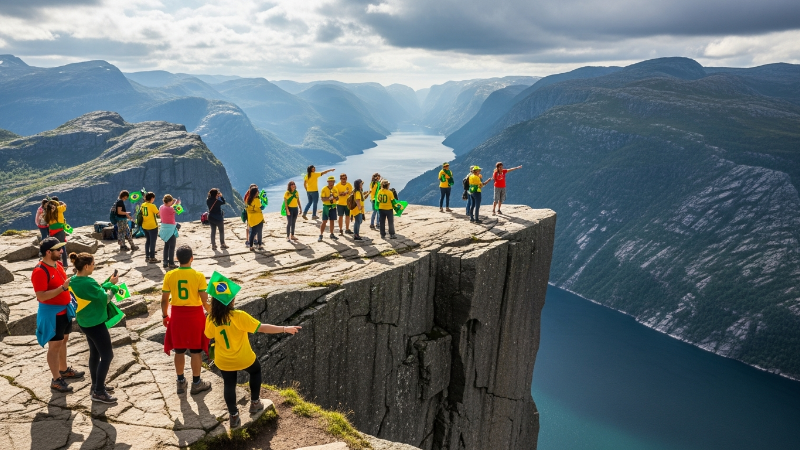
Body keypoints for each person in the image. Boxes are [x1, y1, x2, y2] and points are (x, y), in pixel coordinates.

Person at [204, 284, 301, 428]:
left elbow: (208, 335)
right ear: (230, 301)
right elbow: (262, 327)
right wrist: (285, 329)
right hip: (243, 357)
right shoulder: (239, 316)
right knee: (255, 371)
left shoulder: (212, 318)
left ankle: (233, 416)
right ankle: (255, 403)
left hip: (223, 360)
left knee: (229, 384)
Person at [32, 237, 85, 394]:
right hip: (52, 314)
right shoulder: (39, 271)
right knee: (54, 346)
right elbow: (41, 296)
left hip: (64, 310)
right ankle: (56, 380)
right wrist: (62, 288)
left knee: (64, 340)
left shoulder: (57, 264)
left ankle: (63, 370)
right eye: (58, 249)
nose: (62, 251)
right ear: (49, 252)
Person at [68, 251, 120, 404]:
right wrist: (114, 288)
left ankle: (96, 385)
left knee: (95, 354)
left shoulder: (72, 280)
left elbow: (94, 292)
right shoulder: (88, 282)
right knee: (107, 355)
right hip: (95, 323)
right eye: (92, 264)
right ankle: (99, 392)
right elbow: (105, 299)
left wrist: (107, 283)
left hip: (84, 322)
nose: (94, 266)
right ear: (86, 266)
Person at [161, 245, 212, 395]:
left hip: (177, 316)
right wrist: (212, 314)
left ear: (176, 259)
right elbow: (204, 301)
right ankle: (197, 383)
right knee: (196, 350)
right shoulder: (198, 276)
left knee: (179, 350)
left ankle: (180, 381)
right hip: (195, 316)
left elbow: (164, 300)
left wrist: (165, 316)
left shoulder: (170, 275)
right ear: (192, 258)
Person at [44, 198, 69, 268]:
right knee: (62, 247)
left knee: (54, 248)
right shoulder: (59, 209)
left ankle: (56, 263)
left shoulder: (48, 212)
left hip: (52, 231)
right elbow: (65, 206)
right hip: (60, 230)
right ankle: (65, 264)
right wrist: (62, 202)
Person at [159, 194, 181, 268]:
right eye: (171, 201)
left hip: (164, 228)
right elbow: (178, 211)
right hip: (170, 228)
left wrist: (174, 203)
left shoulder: (161, 207)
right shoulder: (171, 209)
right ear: (169, 201)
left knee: (166, 246)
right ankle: (171, 263)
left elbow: (169, 207)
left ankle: (165, 262)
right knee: (172, 246)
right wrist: (177, 204)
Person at [141, 192, 160, 264]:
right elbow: (158, 214)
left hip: (144, 226)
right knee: (153, 242)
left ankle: (147, 257)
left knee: (148, 241)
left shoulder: (143, 205)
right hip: (152, 226)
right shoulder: (152, 206)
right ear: (152, 198)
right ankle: (152, 257)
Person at [318, 176, 339, 242]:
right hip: (326, 207)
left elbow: (337, 197)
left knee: (332, 220)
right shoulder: (324, 189)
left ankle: (332, 234)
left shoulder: (335, 188)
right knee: (324, 221)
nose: (331, 182)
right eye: (330, 181)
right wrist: (329, 198)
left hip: (333, 206)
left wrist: (335, 198)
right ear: (328, 182)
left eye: (333, 181)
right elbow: (322, 198)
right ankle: (321, 235)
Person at [245, 186, 265, 252]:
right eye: (257, 191)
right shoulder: (257, 200)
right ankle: (259, 245)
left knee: (252, 233)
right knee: (259, 232)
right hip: (258, 218)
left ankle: (251, 246)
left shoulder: (248, 199)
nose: (258, 192)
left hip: (251, 218)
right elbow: (261, 207)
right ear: (255, 193)